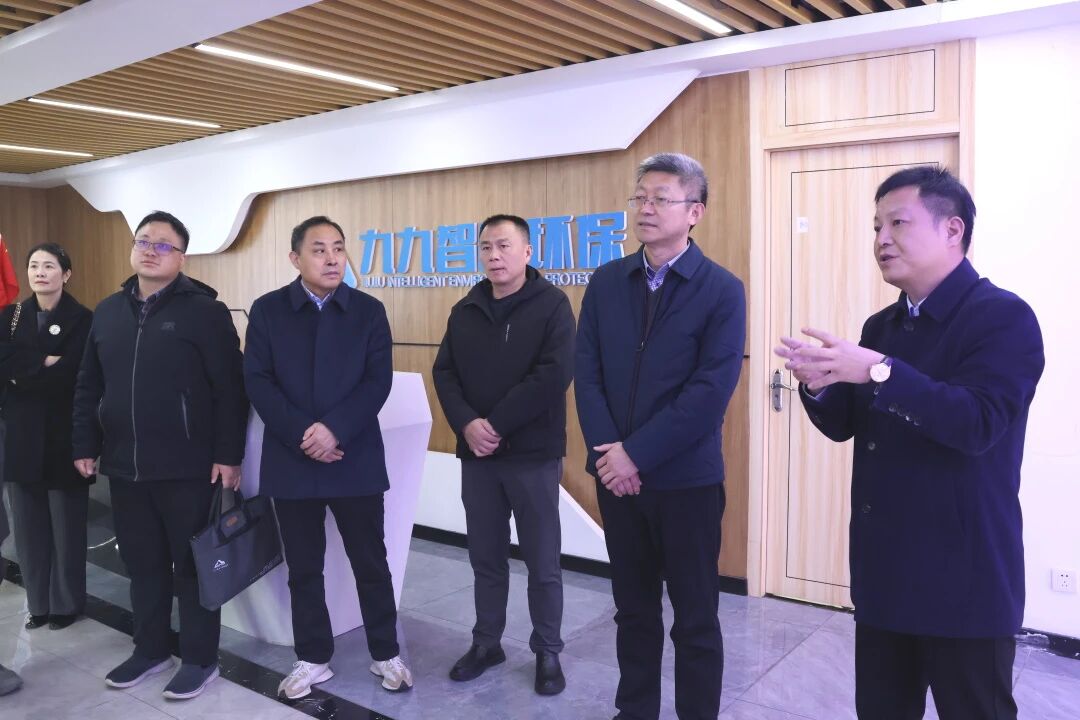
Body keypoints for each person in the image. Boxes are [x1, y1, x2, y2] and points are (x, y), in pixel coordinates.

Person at [775, 166, 1044, 720]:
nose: (881, 239)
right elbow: (846, 424)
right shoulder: (882, 327)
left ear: (953, 230)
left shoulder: (1004, 318)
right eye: (876, 226)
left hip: (965, 581)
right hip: (885, 574)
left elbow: (977, 423)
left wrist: (879, 371)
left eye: (897, 223)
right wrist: (819, 385)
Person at [575, 152, 746, 720]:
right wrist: (611, 455)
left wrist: (636, 454)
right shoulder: (606, 282)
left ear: (695, 211)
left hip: (686, 483)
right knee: (633, 611)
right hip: (617, 480)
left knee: (695, 618)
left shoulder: (721, 290)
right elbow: (587, 373)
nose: (646, 208)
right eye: (640, 197)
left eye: (661, 199)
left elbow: (709, 392)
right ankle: (635, 711)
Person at [72, 211, 247, 700]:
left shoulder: (205, 312)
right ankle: (150, 649)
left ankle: (200, 659)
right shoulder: (108, 311)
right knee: (142, 564)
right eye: (143, 241)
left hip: (189, 466)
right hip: (124, 464)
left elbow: (230, 390)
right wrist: (84, 443)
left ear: (182, 257)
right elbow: (88, 385)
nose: (150, 250)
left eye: (163, 245)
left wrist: (228, 454)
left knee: (191, 568)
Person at [244, 215, 413, 700]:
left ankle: (385, 651)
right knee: (303, 568)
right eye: (319, 250)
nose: (332, 258)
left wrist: (334, 429)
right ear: (295, 258)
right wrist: (304, 433)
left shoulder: (368, 310)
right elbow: (257, 380)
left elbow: (377, 380)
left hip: (353, 456)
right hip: (292, 459)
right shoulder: (269, 310)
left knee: (371, 562)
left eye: (338, 248)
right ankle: (313, 657)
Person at [433, 214, 575, 695]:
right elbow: (445, 373)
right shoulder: (466, 309)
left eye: (504, 246)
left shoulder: (552, 305)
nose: (494, 256)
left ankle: (547, 650)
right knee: (486, 557)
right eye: (486, 247)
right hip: (478, 456)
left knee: (542, 560)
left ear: (528, 252)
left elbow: (553, 375)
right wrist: (467, 424)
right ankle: (486, 643)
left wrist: (495, 424)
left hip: (532, 455)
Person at [0, 244, 93, 633]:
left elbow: (76, 373)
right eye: (34, 266)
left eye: (49, 266)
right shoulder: (10, 316)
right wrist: (43, 364)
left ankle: (66, 604)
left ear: (65, 274)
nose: (40, 272)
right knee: (28, 530)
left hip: (63, 436)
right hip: (21, 437)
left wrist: (24, 374)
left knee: (66, 529)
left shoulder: (84, 319)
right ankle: (37, 604)